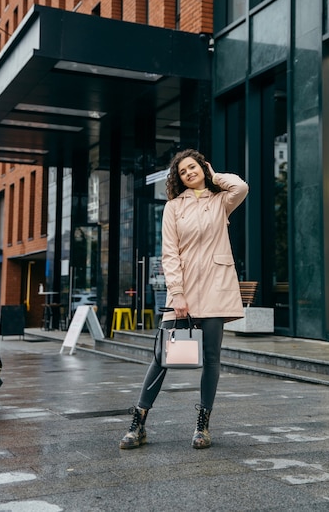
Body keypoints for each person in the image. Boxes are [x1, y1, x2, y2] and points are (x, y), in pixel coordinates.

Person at [119, 148, 249, 450]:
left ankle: (202, 425)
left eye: (193, 167)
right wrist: (176, 292)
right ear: (178, 179)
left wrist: (214, 175)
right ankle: (138, 422)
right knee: (162, 358)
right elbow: (170, 253)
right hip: (185, 290)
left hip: (217, 286)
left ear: (202, 167)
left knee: (212, 359)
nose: (189, 173)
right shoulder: (174, 207)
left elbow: (241, 187)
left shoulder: (220, 200)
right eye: (183, 172)